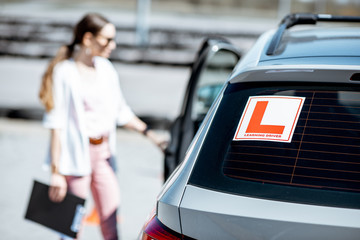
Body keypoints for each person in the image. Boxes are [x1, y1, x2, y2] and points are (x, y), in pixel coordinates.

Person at [38, 13, 164, 240]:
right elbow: (56, 125)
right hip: (75, 159)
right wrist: (56, 173)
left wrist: (152, 135)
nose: (113, 46)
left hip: (103, 154)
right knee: (70, 228)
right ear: (88, 39)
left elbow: (121, 111)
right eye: (108, 40)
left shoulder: (106, 69)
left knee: (110, 221)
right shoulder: (64, 72)